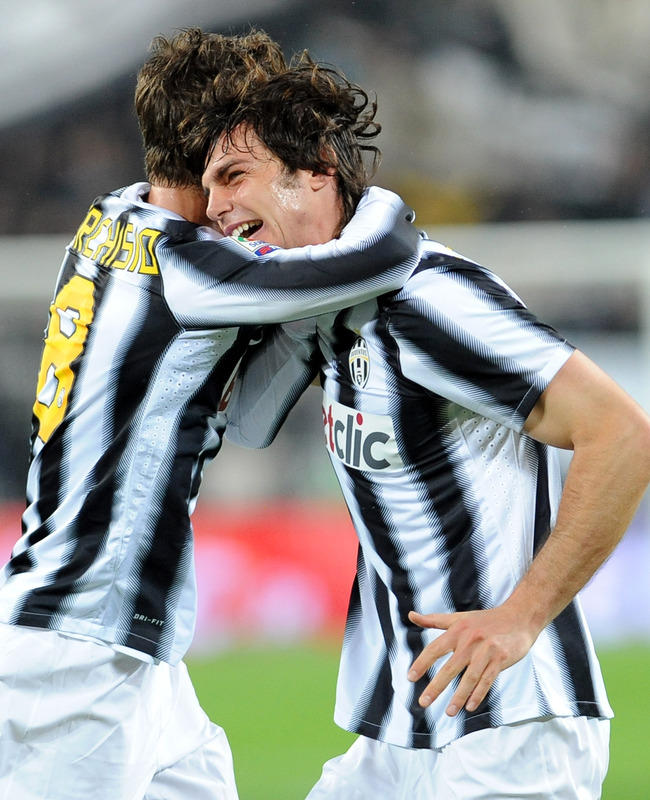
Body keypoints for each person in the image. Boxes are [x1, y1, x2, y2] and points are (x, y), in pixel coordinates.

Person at [205, 58, 650, 798]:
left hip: (510, 729)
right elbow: (244, 421)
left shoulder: (428, 304)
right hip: (405, 729)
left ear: (316, 171)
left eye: (234, 176)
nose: (215, 204)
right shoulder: (328, 311)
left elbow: (623, 431)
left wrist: (521, 616)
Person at [0, 29, 421, 800]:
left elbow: (251, 419)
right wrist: (366, 196)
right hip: (77, 652)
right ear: (207, 150)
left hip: (127, 648)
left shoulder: (111, 216)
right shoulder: (195, 270)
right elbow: (383, 255)